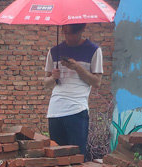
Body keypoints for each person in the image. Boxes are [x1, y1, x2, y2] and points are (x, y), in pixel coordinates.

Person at [43, 23, 102, 157]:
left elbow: (97, 82)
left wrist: (77, 68)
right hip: (55, 111)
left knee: (76, 158)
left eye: (73, 34)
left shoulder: (93, 50)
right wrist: (53, 77)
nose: (69, 37)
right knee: (56, 160)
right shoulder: (54, 51)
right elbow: (46, 83)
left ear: (82, 29)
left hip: (77, 110)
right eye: (66, 33)